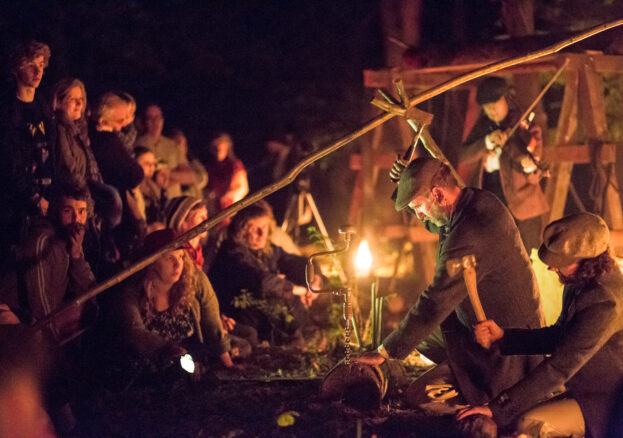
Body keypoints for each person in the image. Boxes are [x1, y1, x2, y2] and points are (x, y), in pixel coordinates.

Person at [356, 158, 544, 408]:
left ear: (437, 193)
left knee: (418, 396)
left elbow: (435, 301)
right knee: (420, 336)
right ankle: (458, 370)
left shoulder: (472, 231)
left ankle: (479, 397)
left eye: (418, 206)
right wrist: (406, 185)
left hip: (505, 349)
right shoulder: (471, 203)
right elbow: (433, 220)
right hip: (475, 326)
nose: (419, 214)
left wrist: (384, 352)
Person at [458, 213, 623, 438]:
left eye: (560, 264)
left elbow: (560, 367)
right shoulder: (582, 281)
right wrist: (505, 338)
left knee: (530, 425)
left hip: (608, 402)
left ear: (588, 261)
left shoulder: (605, 301)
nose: (552, 269)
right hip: (585, 390)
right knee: (519, 420)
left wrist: (496, 408)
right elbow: (560, 335)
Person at [114, 229, 233, 373]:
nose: (178, 264)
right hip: (150, 366)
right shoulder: (132, 292)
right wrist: (169, 349)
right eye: (170, 258)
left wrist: (228, 365)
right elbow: (135, 332)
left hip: (193, 359)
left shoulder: (194, 280)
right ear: (151, 262)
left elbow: (213, 324)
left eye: (181, 256)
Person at [209, 202, 319, 347]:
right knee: (281, 297)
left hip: (263, 316)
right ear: (241, 231)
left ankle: (311, 339)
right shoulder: (232, 253)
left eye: (265, 227)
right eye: (255, 229)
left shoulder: (267, 250)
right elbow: (261, 282)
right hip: (241, 318)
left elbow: (298, 262)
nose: (262, 234)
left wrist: (314, 279)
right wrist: (298, 289)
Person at [459, 76, 548, 251]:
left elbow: (534, 174)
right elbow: (464, 156)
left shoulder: (525, 126)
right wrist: (486, 142)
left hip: (522, 206)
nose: (491, 109)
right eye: (486, 105)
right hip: (491, 203)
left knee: (528, 254)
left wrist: (527, 164)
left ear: (506, 99)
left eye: (495, 103)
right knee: (496, 254)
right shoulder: (483, 127)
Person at [0, 184, 96, 341]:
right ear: (55, 211)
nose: (76, 219)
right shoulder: (41, 241)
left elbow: (88, 290)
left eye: (81, 212)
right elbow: (39, 302)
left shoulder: (71, 239)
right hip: (13, 312)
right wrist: (51, 344)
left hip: (40, 314)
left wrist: (76, 255)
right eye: (67, 211)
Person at [165, 196, 256, 356]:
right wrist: (214, 325)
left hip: (206, 317)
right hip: (191, 323)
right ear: (181, 221)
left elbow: (207, 297)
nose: (206, 221)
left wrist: (219, 317)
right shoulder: (177, 255)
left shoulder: (199, 253)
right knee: (244, 345)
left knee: (249, 334)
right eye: (200, 217)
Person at [0, 41, 57, 260]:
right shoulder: (7, 112)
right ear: (16, 68)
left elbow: (51, 155)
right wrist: (33, 197)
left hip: (47, 200)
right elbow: (7, 165)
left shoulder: (43, 109)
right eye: (32, 64)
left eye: (42, 65)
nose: (38, 71)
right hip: (16, 208)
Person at [136, 104, 196, 199]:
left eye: (157, 117)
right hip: (149, 204)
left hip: (173, 202)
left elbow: (190, 176)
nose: (154, 121)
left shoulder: (172, 145)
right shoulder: (137, 144)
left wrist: (168, 174)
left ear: (162, 120)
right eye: (150, 118)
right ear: (144, 121)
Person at [202, 132, 249, 223]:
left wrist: (227, 199)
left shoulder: (235, 165)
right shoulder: (210, 165)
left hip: (228, 209)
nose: (217, 150)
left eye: (220, 147)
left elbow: (242, 188)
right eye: (215, 148)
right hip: (211, 208)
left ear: (227, 147)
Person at [169, 128, 208, 200]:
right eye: (176, 142)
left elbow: (202, 178)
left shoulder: (192, 162)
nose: (179, 146)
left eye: (182, 143)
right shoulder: (168, 165)